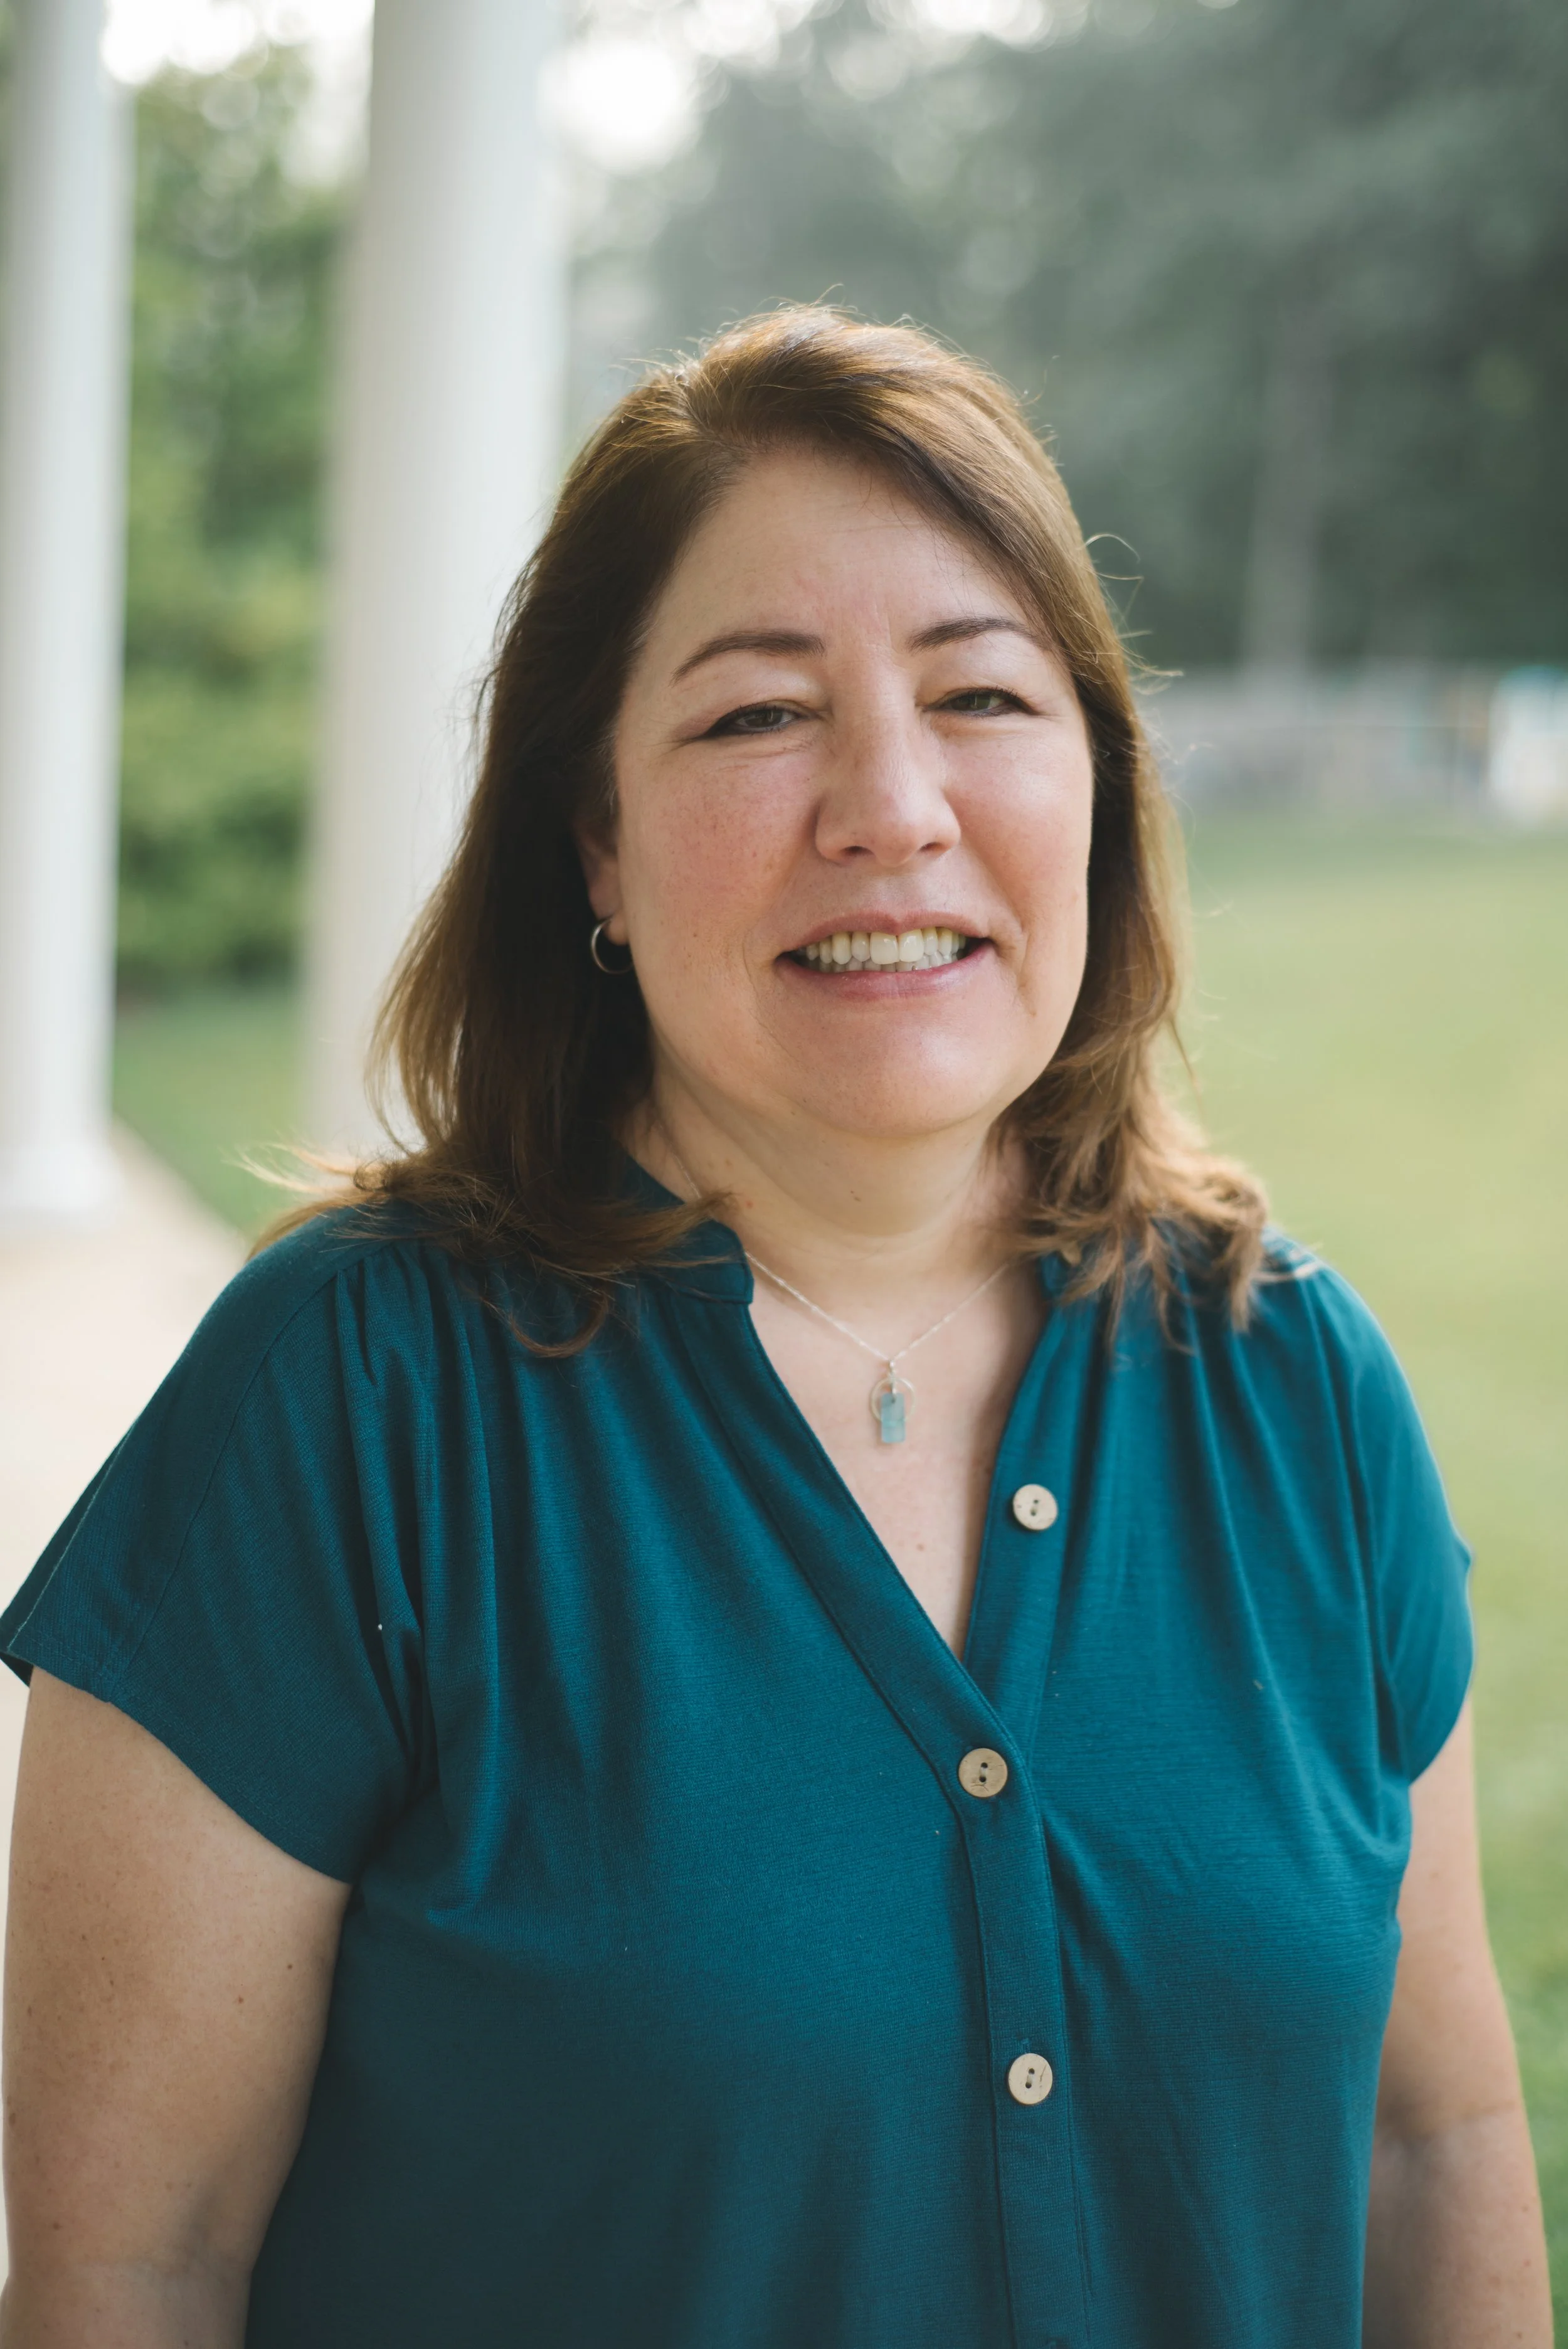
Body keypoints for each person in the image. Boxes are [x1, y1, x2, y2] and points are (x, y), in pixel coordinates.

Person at [0, 309, 1550, 2349]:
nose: (890, 807)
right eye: (754, 718)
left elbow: (1424, 2148)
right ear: (596, 849)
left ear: (1095, 782)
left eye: (981, 694)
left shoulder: (1293, 1387)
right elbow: (136, 2262)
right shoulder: (349, 1403)